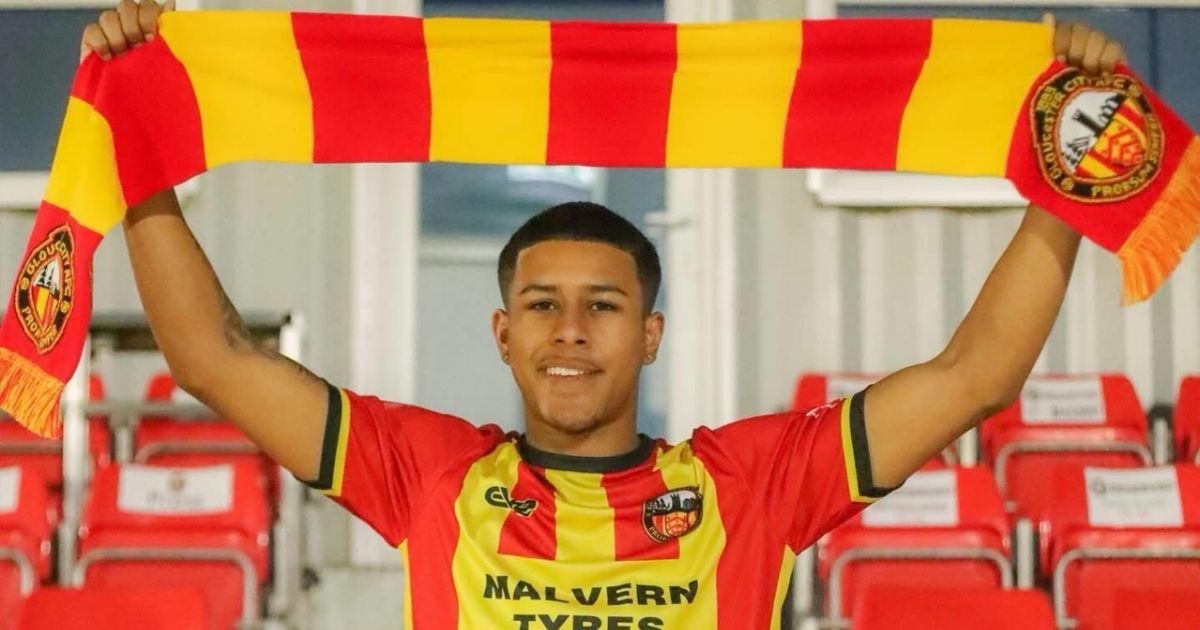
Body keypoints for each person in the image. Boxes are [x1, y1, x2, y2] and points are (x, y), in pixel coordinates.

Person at [82, 2, 1125, 628]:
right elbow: (212, 357)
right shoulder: (430, 475)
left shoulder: (753, 484)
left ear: (651, 334)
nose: (570, 330)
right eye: (541, 304)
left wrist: (1070, 158)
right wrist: (140, 142)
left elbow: (975, 376)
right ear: (504, 333)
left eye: (603, 306)